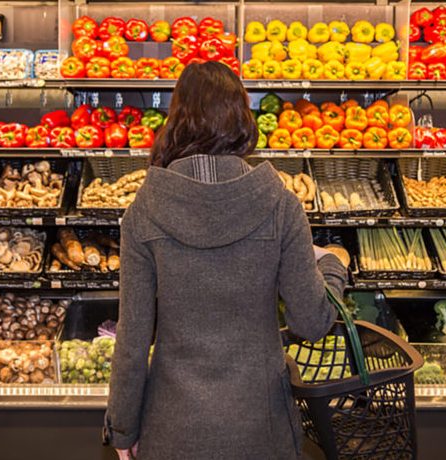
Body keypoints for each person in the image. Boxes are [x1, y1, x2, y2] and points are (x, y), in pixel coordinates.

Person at [104, 61, 347, 460]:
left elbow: (132, 341)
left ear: (176, 119)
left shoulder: (143, 212)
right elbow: (311, 322)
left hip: (172, 429)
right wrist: (334, 267)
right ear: (242, 119)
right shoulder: (281, 205)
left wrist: (123, 429)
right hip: (261, 429)